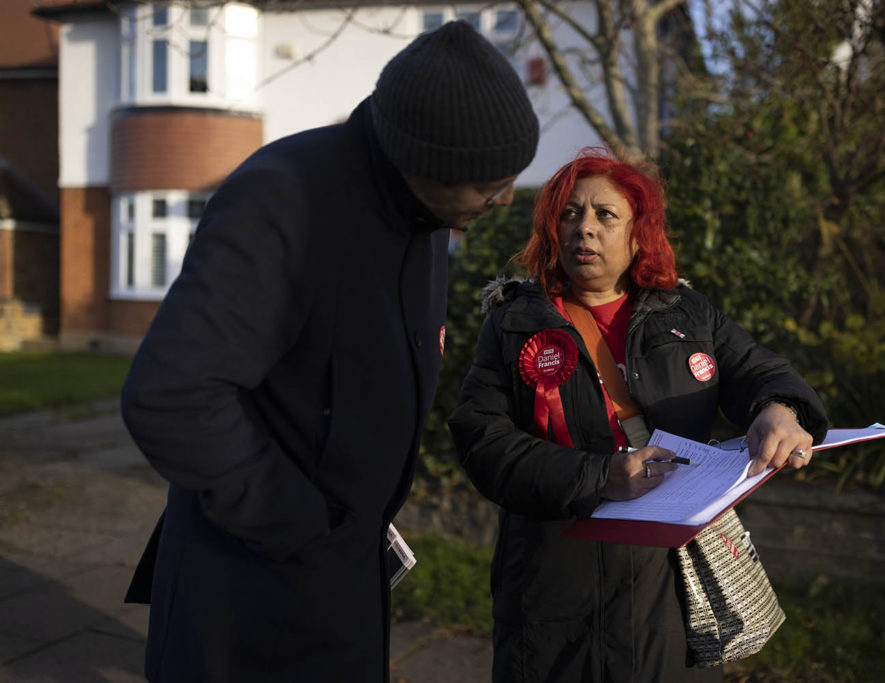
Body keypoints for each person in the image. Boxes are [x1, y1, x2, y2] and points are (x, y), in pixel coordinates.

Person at [120, 21, 539, 683]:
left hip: (344, 583)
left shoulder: (429, 215)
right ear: (422, 161)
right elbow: (171, 395)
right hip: (249, 598)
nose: (506, 198)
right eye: (490, 182)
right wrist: (301, 526)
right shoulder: (285, 200)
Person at [447, 149, 829, 682]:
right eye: (570, 213)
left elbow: (762, 372)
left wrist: (778, 410)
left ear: (637, 233)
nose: (584, 228)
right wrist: (599, 477)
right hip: (551, 580)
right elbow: (481, 440)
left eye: (606, 215)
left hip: (669, 582)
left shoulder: (687, 313)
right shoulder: (513, 323)